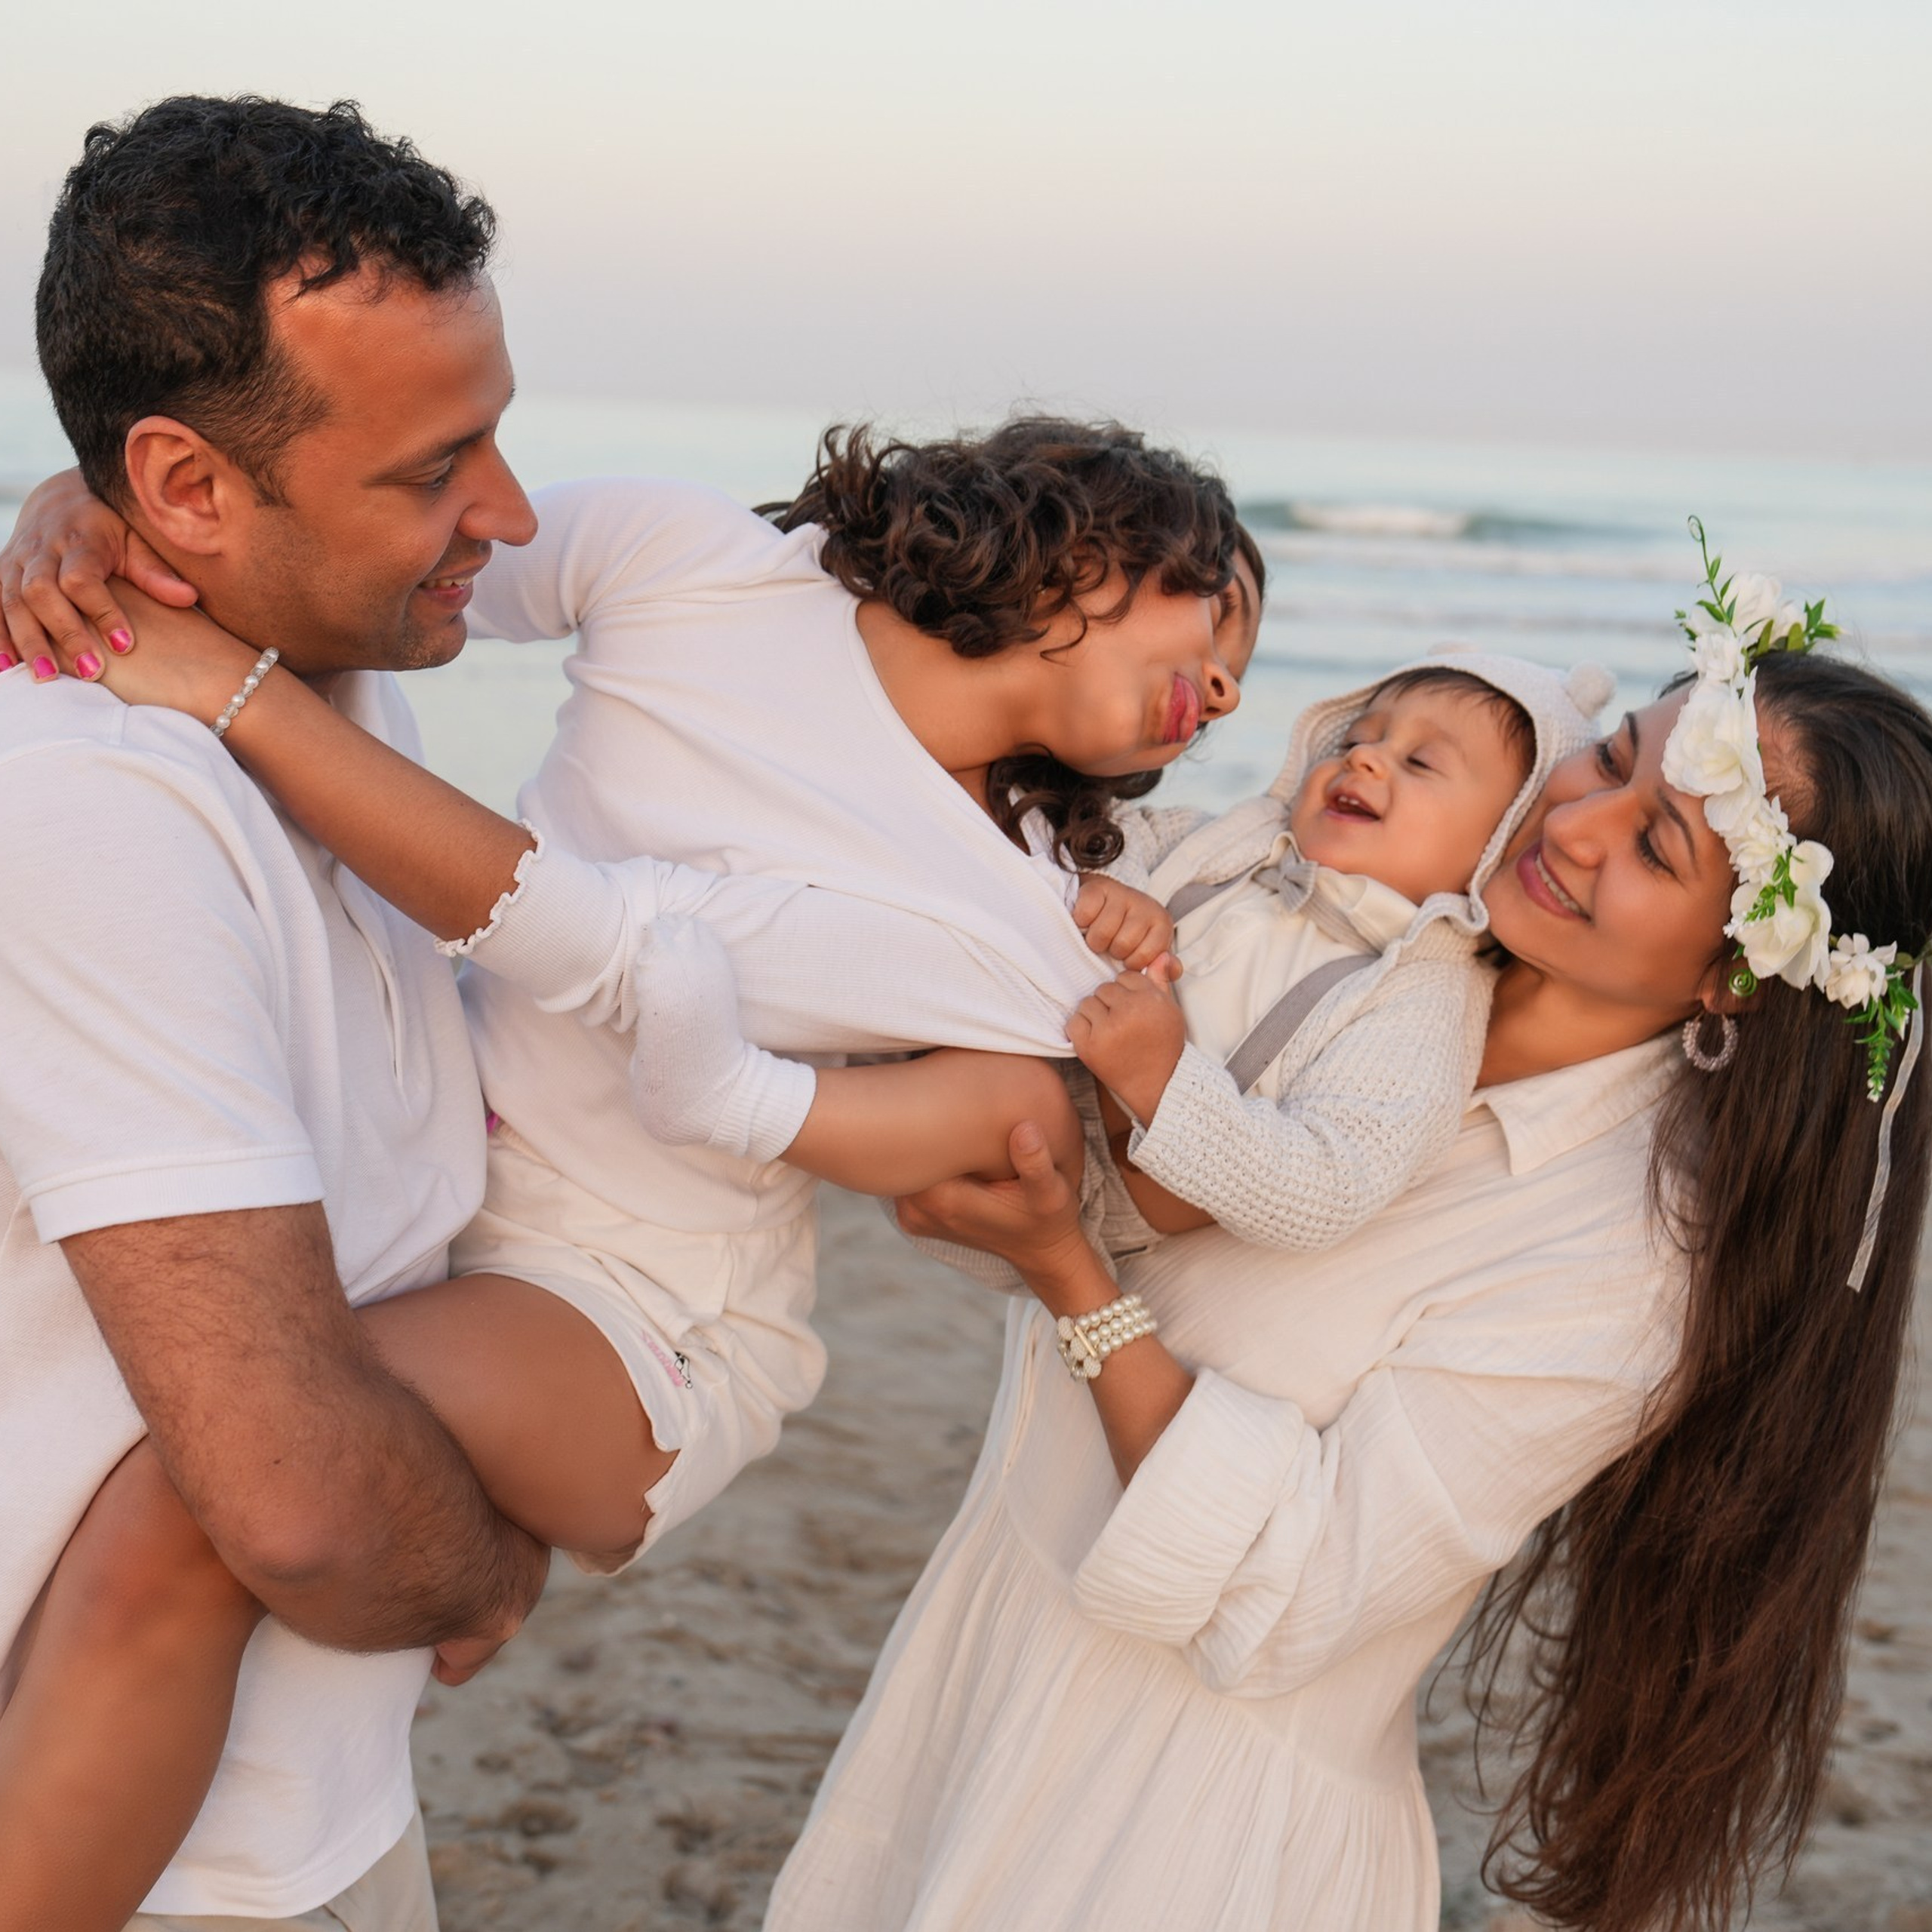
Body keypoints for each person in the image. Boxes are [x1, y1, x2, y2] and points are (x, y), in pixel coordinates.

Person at [0, 115, 1260, 1930]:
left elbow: (611, 944)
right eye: (1209, 609)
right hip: (281, 1756)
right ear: (1079, 540)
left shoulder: (1009, 922)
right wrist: (89, 525)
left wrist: (227, 666)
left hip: (640, 1304)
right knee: (209, 1520)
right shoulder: (677, 577)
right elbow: (305, 1504)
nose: (504, 512)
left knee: (204, 1521)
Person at [758, 558, 1932, 1930]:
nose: (1577, 824)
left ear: (1739, 967)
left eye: (1660, 845)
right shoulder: (1365, 942)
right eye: (1609, 761)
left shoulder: (1627, 1268)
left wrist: (1069, 1279)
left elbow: (1290, 1595)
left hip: (1179, 1829)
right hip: (988, 1654)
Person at [618, 653, 1611, 1290]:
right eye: (1359, 737)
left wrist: (1160, 1080)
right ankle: (717, 903)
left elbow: (1324, 1189)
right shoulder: (1245, 844)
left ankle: (732, 1099)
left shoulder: (1421, 998)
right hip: (1000, 1035)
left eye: (1422, 764)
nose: (1366, 762)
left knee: (1003, 1087)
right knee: (953, 869)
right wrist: (1106, 885)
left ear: (1501, 841)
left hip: (1089, 1180)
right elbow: (1105, 838)